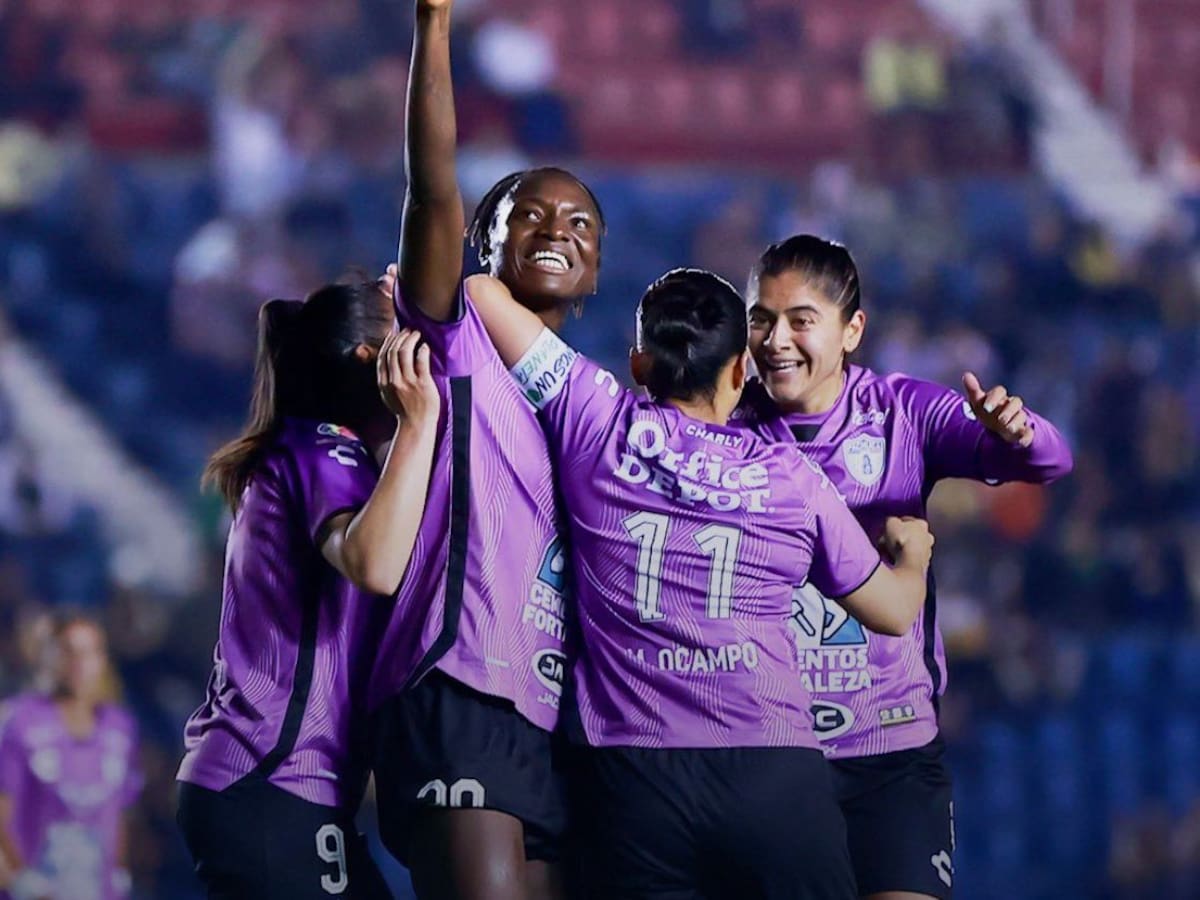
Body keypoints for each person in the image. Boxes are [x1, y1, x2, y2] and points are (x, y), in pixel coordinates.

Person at [464, 268, 935, 900]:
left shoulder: (595, 418)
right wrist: (916, 556)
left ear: (638, 363)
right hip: (772, 775)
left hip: (631, 777)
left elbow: (478, 292)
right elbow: (895, 611)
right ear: (741, 371)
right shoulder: (789, 476)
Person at [736, 235, 1074, 900]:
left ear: (852, 329)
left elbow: (1051, 461)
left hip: (890, 751)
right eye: (760, 320)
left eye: (800, 321)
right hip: (765, 754)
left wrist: (1016, 430)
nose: (776, 340)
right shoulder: (726, 421)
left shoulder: (902, 412)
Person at [366, 0, 603, 896]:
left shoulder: (587, 402)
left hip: (546, 719)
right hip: (456, 686)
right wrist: (434, 26)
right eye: (529, 215)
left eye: (579, 225)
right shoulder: (455, 331)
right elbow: (432, 191)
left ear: (595, 270)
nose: (555, 229)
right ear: (484, 242)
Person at [176, 278, 441, 899]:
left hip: (271, 785)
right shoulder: (325, 449)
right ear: (371, 359)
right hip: (271, 778)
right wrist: (420, 420)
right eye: (405, 337)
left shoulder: (308, 449)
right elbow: (372, 561)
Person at [0, 614, 141, 900]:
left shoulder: (119, 726)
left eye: (89, 652)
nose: (78, 663)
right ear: (45, 656)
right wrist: (21, 880)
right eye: (67, 650)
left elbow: (120, 814)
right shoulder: (17, 721)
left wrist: (119, 872)